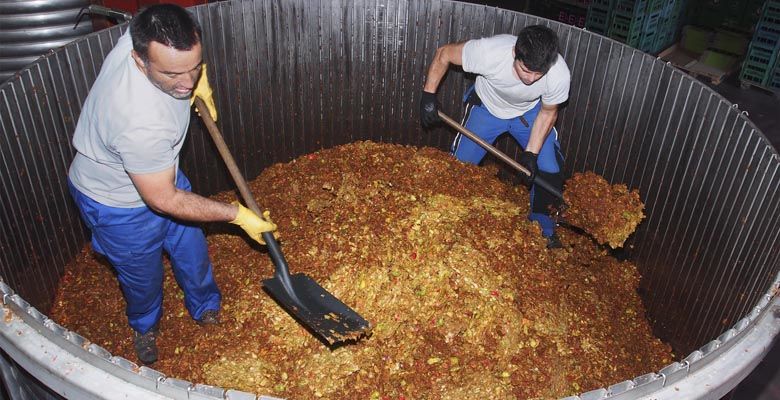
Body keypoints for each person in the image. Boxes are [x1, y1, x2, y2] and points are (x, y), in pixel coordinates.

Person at [67, 4, 277, 365]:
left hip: (159, 175)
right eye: (172, 74)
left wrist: (197, 76)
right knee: (142, 279)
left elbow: (156, 24)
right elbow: (164, 199)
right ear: (138, 60)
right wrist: (238, 215)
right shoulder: (139, 121)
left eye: (194, 67)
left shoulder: (145, 34)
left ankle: (205, 306)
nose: (186, 83)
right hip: (119, 203)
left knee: (192, 250)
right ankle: (144, 325)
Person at [419, 25, 571, 249]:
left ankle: (543, 227)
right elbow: (444, 53)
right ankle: (443, 217)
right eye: (525, 70)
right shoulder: (490, 52)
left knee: (549, 169)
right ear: (514, 54)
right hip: (488, 108)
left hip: (528, 114)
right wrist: (428, 95)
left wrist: (531, 152)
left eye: (538, 74)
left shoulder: (558, 74)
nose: (530, 79)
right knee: (458, 168)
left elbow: (548, 112)